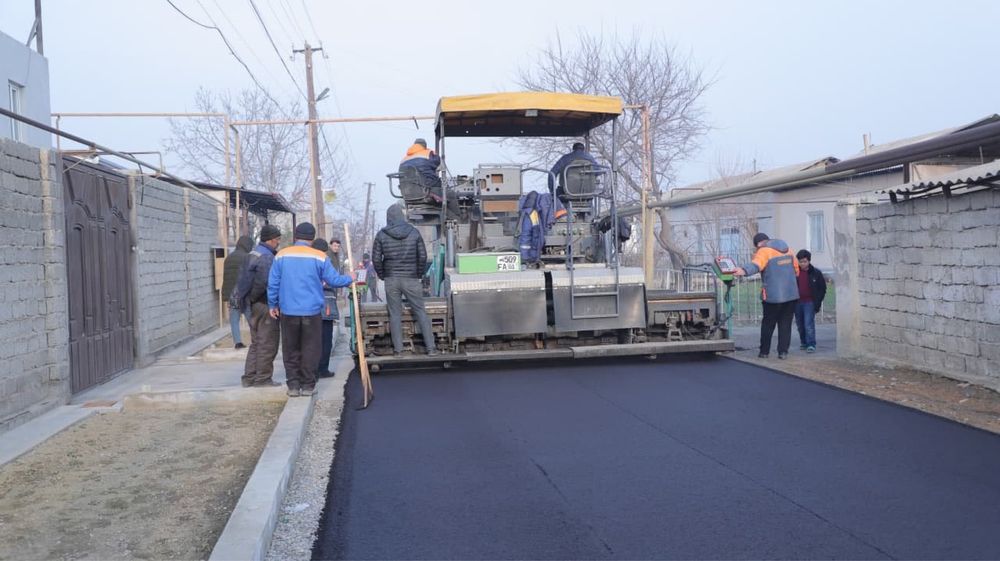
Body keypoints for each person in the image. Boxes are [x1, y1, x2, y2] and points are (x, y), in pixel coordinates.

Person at [268, 222, 354, 397]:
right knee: (311, 348)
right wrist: (349, 278)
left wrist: (272, 304)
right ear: (312, 238)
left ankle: (293, 386)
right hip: (312, 311)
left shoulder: (281, 255)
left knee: (291, 349)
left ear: (295, 236)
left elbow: (273, 283)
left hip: (288, 311)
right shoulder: (320, 257)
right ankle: (308, 386)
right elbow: (333, 280)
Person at [372, 204, 437, 356]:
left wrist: (383, 274)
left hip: (391, 279)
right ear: (401, 216)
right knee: (420, 311)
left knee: (395, 314)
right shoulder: (414, 232)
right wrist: (418, 273)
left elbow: (376, 259)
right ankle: (431, 349)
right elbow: (423, 256)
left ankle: (398, 351)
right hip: (411, 279)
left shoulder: (382, 235)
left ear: (388, 217)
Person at [733, 232, 800, 359]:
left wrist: (743, 270)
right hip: (791, 295)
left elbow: (756, 265)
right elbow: (796, 271)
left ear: (758, 244)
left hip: (772, 297)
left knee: (768, 325)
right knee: (785, 324)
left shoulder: (764, 251)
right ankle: (783, 352)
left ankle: (764, 352)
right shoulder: (789, 250)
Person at [233, 225, 282, 387]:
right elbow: (266, 282)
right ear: (271, 239)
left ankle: (249, 378)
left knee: (256, 343)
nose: (279, 243)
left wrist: (250, 300)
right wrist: (264, 301)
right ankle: (263, 379)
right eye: (278, 239)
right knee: (268, 343)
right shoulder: (267, 257)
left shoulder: (252, 253)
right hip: (263, 304)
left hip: (250, 304)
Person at [399, 138, 460, 218]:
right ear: (424, 146)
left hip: (408, 194)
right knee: (450, 194)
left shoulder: (403, 160)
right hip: (426, 190)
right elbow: (438, 162)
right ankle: (459, 219)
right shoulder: (428, 154)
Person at [311, 239, 340, 378]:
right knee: (324, 337)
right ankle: (321, 369)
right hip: (324, 301)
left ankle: (317, 369)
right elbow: (332, 280)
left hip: (310, 305)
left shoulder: (308, 260)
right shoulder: (324, 260)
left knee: (315, 338)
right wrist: (348, 279)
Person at [222, 235, 254, 349]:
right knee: (251, 318)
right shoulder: (247, 257)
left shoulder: (228, 258)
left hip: (232, 294)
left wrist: (226, 296)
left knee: (234, 319)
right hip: (244, 294)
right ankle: (256, 341)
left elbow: (226, 278)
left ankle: (238, 342)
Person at [795, 249, 827, 353]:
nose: (802, 264)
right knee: (800, 324)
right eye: (800, 261)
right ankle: (803, 342)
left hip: (809, 302)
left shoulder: (816, 273)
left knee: (808, 324)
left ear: (809, 261)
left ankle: (811, 343)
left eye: (804, 261)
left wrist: (817, 302)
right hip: (797, 302)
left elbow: (822, 288)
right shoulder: (795, 273)